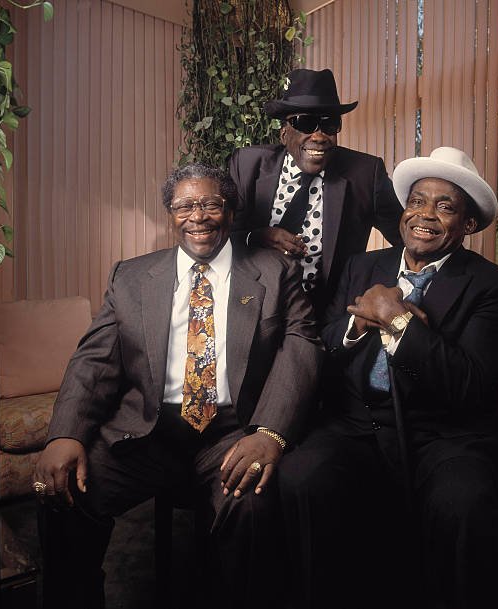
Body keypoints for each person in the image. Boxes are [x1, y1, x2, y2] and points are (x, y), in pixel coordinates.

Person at [33, 164, 323, 609]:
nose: (198, 216)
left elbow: (302, 345)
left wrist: (269, 432)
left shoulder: (275, 271)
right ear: (170, 213)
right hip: (146, 431)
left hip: (231, 432)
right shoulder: (130, 277)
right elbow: (94, 358)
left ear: (230, 210)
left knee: (251, 505)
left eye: (210, 204)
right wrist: (65, 432)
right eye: (184, 206)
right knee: (64, 492)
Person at [278, 147, 498, 609]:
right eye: (417, 201)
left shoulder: (495, 287)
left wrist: (398, 321)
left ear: (468, 225)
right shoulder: (362, 267)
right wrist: (358, 324)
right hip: (357, 427)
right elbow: (323, 340)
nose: (424, 215)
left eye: (445, 206)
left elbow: (471, 384)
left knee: (463, 505)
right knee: (299, 477)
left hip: (445, 437)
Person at [228, 68, 403, 320]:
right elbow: (220, 237)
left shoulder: (365, 173)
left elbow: (406, 238)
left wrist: (371, 281)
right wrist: (257, 237)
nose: (319, 136)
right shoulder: (248, 166)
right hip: (253, 307)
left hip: (324, 314)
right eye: (305, 123)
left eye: (329, 124)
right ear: (284, 131)